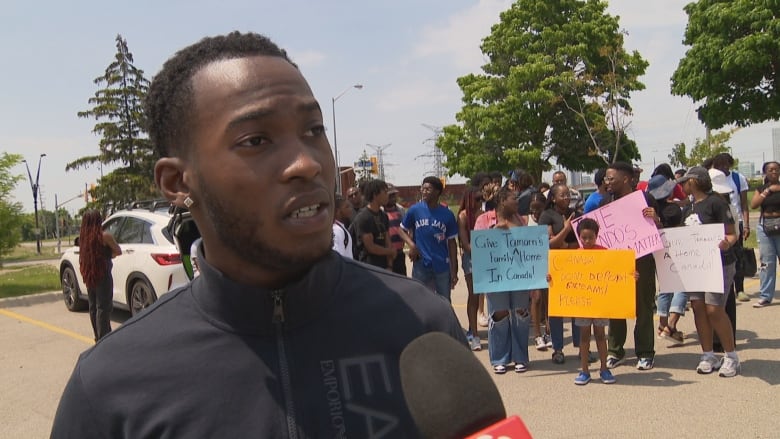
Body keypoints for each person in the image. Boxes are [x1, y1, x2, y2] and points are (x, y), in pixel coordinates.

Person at [51, 32, 465, 438]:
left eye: (313, 130)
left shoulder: (421, 325)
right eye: (256, 140)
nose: (306, 163)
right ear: (178, 181)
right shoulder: (111, 389)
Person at [676, 167, 741, 377]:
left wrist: (726, 244)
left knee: (714, 309)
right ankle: (708, 354)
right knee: (698, 307)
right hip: (696, 266)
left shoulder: (717, 203)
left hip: (719, 264)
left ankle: (731, 356)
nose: (682, 185)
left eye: (685, 182)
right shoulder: (689, 208)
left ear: (694, 182)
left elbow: (732, 233)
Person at [601, 162, 661, 371]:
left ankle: (645, 352)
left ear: (625, 179)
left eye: (611, 178)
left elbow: (659, 230)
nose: (607, 182)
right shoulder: (605, 203)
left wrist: (656, 218)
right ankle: (615, 350)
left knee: (643, 305)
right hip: (616, 261)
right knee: (616, 305)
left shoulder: (645, 199)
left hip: (642, 259)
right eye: (606, 179)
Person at [474, 187, 531, 374]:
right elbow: (479, 247)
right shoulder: (484, 220)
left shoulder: (520, 220)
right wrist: (494, 232)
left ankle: (520, 357)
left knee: (521, 314)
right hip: (495, 275)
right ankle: (500, 358)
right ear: (502, 201)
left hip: (519, 274)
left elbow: (529, 245)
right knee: (499, 315)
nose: (517, 202)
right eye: (514, 199)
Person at [570, 218, 617, 385]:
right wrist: (552, 278)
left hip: (600, 302)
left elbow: (616, 273)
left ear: (597, 236)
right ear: (579, 237)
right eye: (584, 238)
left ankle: (604, 369)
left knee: (600, 335)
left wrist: (630, 276)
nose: (587, 241)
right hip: (582, 303)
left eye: (591, 237)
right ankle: (584, 371)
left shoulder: (604, 253)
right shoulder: (575, 256)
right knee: (584, 336)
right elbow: (565, 277)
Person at [538, 183, 581, 364]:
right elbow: (549, 243)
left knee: (578, 308)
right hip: (555, 268)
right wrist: (566, 229)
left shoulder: (575, 214)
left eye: (568, 195)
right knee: (556, 309)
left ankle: (582, 347)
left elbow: (582, 241)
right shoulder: (546, 216)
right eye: (562, 195)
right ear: (553, 198)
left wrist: (567, 245)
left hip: (575, 266)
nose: (566, 198)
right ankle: (557, 349)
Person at [400, 176, 459, 301]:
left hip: (442, 265)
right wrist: (412, 245)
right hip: (421, 264)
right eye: (423, 188)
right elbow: (401, 230)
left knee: (444, 301)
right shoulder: (415, 210)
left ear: (437, 192)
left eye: (428, 189)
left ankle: (443, 321)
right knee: (419, 300)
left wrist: (454, 270)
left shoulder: (447, 214)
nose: (424, 191)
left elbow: (452, 243)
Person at [645, 174, 687, 346]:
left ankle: (662, 325)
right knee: (683, 286)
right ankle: (670, 325)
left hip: (656, 251)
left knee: (664, 287)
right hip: (674, 250)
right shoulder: (673, 210)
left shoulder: (648, 210)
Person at [77, 210, 122, 341]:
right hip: (103, 274)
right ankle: (104, 338)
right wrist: (109, 254)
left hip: (89, 274)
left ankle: (98, 336)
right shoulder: (105, 236)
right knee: (103, 306)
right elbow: (118, 251)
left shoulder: (83, 239)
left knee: (93, 307)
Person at [713, 153, 750, 303]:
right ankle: (726, 288)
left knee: (737, 255)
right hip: (719, 223)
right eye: (720, 164)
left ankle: (739, 289)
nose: (723, 167)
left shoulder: (737, 178)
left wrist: (746, 224)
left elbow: (744, 204)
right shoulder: (713, 179)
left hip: (735, 220)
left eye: (726, 164)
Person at [457, 184, 484, 351]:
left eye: (481, 199)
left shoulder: (483, 214)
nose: (480, 202)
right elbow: (465, 245)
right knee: (473, 295)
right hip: (472, 258)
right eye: (477, 199)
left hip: (487, 258)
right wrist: (483, 251)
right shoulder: (463, 216)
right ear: (468, 199)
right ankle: (474, 334)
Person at [750, 160, 780, 308]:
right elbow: (754, 204)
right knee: (767, 263)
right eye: (771, 170)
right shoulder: (761, 188)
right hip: (765, 227)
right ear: (765, 172)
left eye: (776, 170)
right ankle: (765, 296)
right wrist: (768, 191)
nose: (774, 172)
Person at [351, 179, 396, 269]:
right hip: (369, 268)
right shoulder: (363, 217)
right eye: (385, 192)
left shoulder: (383, 216)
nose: (388, 195)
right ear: (375, 195)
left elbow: (387, 241)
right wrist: (390, 252)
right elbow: (370, 247)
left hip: (384, 267)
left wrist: (390, 265)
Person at [527, 192, 552, 350]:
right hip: (532, 264)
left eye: (539, 209)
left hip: (548, 262)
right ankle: (537, 334)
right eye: (532, 209)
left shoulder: (549, 220)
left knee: (548, 300)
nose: (535, 213)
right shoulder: (525, 220)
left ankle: (549, 332)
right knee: (535, 298)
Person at [384, 183, 407, 275]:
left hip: (399, 253)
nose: (393, 198)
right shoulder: (381, 211)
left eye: (394, 195)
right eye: (390, 195)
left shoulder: (400, 209)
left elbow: (405, 228)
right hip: (386, 253)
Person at [332, 194, 353, 259]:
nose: (350, 209)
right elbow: (339, 258)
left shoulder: (340, 228)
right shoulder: (337, 230)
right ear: (338, 211)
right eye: (347, 207)